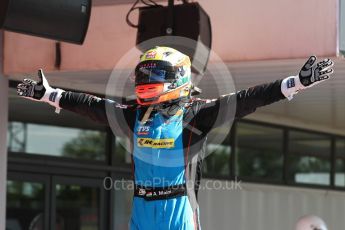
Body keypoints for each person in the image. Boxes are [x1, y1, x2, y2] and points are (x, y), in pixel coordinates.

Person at [17, 47, 334, 230]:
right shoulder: (134, 113)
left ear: (176, 78)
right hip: (141, 209)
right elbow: (93, 107)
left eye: (153, 75)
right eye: (143, 75)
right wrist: (49, 94)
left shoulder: (196, 113)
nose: (145, 81)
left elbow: (248, 98)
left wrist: (296, 83)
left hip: (178, 211)